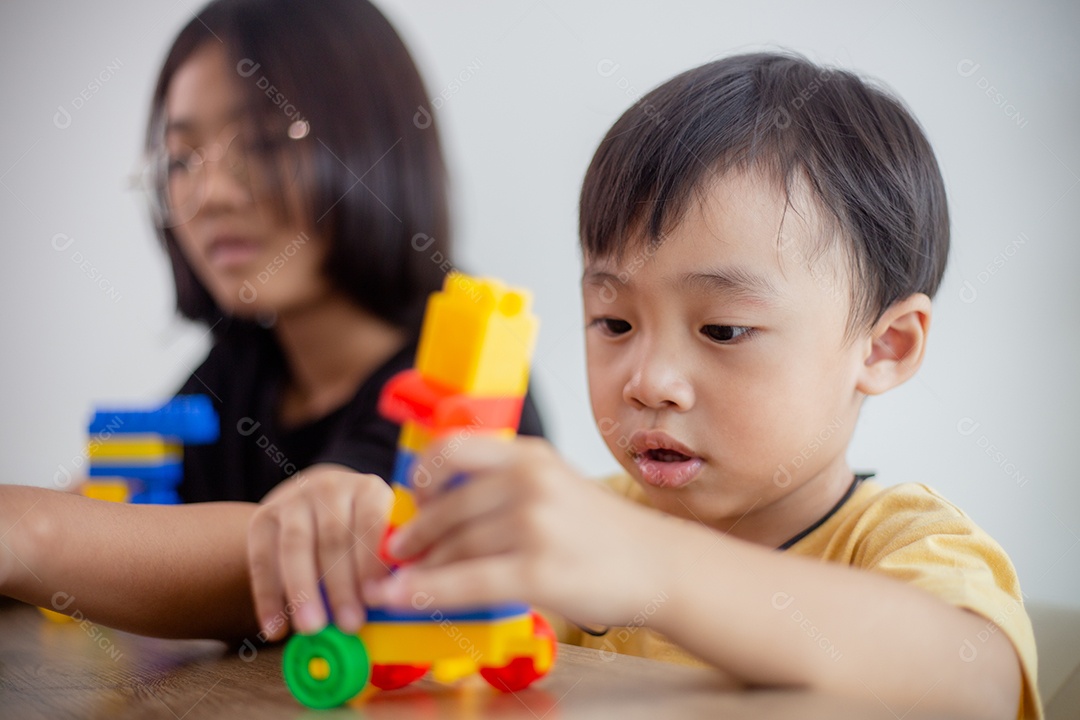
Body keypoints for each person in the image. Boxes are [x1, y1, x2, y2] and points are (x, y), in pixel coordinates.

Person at [257, 53, 1041, 718]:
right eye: (615, 323)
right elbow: (434, 645)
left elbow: (974, 682)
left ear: (887, 346)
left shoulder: (906, 541)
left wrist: (653, 567)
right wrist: (349, 539)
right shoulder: (583, 527)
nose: (650, 382)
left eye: (724, 330)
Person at [0, 0, 542, 639]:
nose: (212, 196)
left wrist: (25, 531)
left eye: (258, 142)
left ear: (374, 147)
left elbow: (310, 562)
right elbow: (117, 516)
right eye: (180, 159)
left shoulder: (462, 366)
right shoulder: (244, 362)